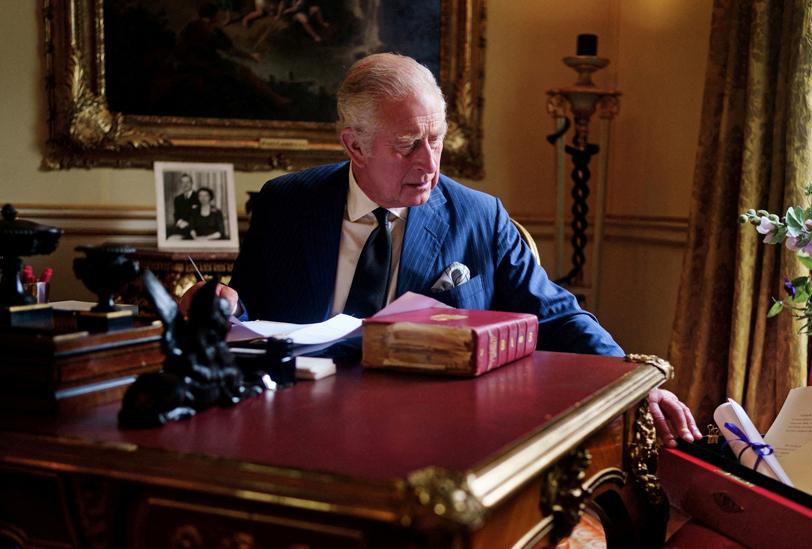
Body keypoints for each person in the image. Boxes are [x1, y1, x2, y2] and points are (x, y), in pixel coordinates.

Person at [182, 53, 700, 447]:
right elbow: (247, 310)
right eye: (408, 143)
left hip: (431, 434)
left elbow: (557, 315)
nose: (429, 162)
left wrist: (634, 386)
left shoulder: (478, 215)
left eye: (437, 138)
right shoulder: (287, 203)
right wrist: (218, 304)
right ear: (354, 145)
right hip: (297, 422)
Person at [170, 173, 198, 239]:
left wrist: (188, 225)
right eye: (183, 182)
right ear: (181, 184)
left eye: (187, 182)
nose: (185, 184)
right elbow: (176, 214)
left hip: (195, 228)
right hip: (181, 227)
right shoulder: (177, 199)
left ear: (192, 183)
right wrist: (180, 222)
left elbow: (198, 215)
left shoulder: (198, 196)